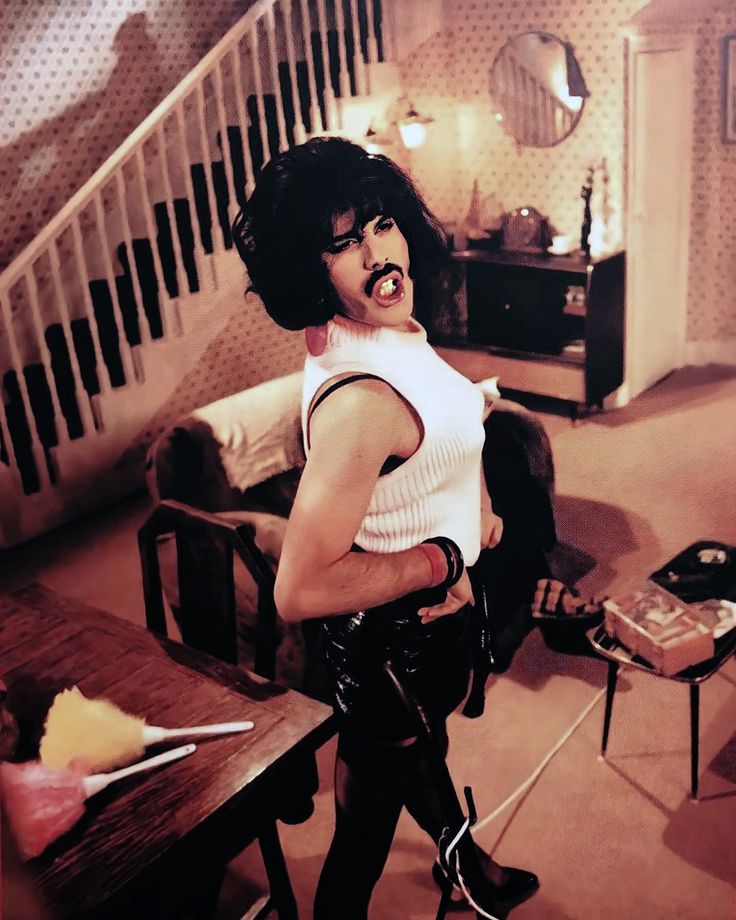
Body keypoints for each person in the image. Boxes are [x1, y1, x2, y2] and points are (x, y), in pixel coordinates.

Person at [232, 137, 539, 919]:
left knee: (416, 754)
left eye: (379, 224)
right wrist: (439, 562)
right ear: (313, 271)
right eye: (343, 244)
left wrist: (476, 513)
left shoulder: (380, 332)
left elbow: (442, 426)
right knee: (362, 833)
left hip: (415, 637)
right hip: (390, 645)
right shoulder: (359, 403)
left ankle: (466, 862)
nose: (375, 252)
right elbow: (297, 588)